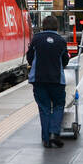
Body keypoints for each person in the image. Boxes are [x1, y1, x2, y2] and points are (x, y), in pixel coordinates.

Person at [27, 14, 70, 149]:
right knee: (58, 105)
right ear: (57, 26)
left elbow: (29, 57)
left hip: (38, 80)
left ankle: (46, 139)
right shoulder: (61, 41)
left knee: (44, 108)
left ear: (43, 26)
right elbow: (65, 60)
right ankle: (54, 133)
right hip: (56, 80)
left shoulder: (36, 39)